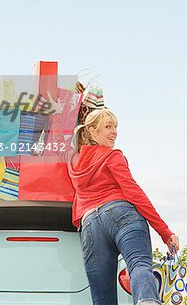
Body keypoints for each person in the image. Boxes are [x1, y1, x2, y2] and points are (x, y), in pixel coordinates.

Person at [44, 92, 179, 305]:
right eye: (108, 127)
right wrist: (164, 231)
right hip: (120, 213)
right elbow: (134, 193)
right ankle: (147, 301)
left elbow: (59, 142)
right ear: (92, 131)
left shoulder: (74, 159)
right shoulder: (112, 156)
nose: (114, 132)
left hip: (90, 225)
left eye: (115, 127)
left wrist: (56, 114)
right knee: (139, 265)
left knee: (102, 296)